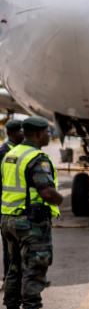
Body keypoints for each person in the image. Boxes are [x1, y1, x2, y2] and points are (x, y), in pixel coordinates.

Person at [1, 116, 63, 309]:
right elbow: (46, 192)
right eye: (47, 132)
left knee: (13, 271)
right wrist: (60, 199)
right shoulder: (37, 158)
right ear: (38, 134)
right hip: (31, 224)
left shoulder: (11, 154)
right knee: (34, 271)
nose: (49, 135)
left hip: (8, 219)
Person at [1, 119, 24, 282]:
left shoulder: (18, 150)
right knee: (9, 249)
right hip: (6, 209)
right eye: (20, 131)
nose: (23, 134)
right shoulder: (3, 152)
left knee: (20, 249)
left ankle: (21, 279)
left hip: (18, 209)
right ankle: (9, 280)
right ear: (11, 134)